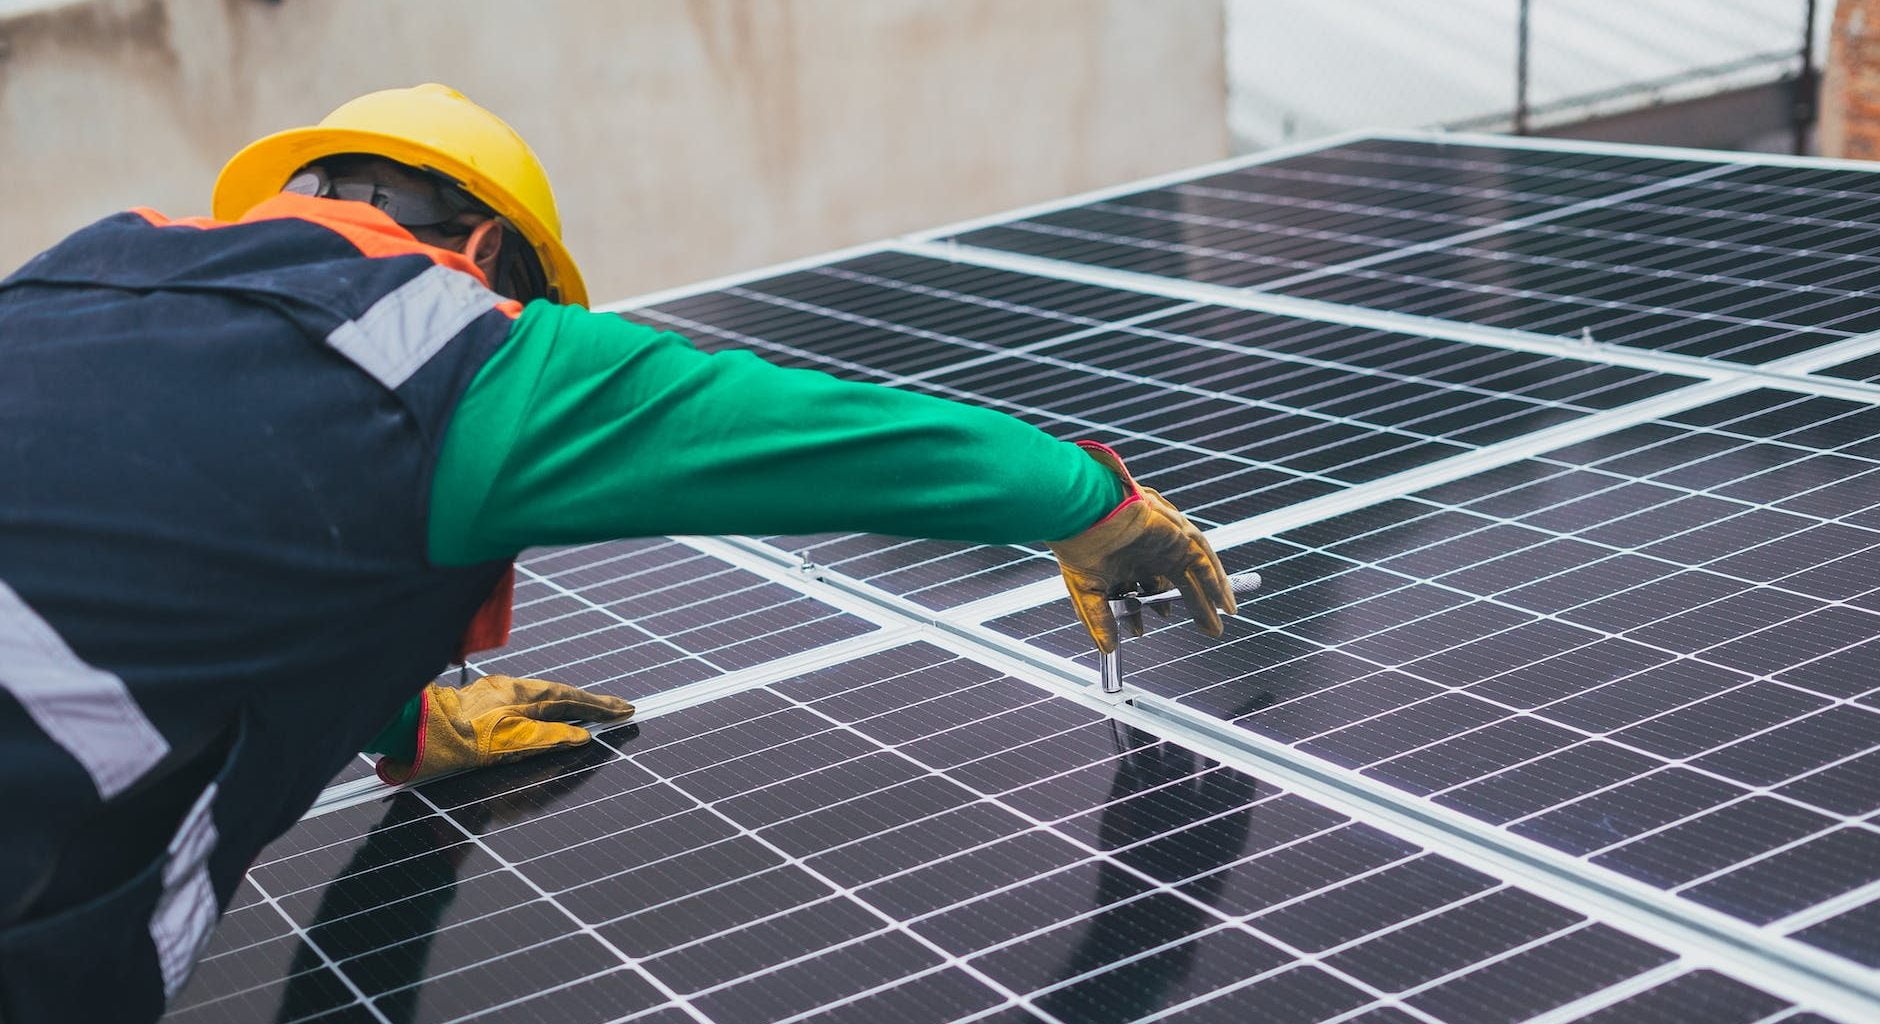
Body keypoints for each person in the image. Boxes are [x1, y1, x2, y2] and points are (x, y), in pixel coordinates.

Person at [0, 83, 1234, 1022]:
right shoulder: (457, 346)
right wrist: (1092, 503)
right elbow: (821, 432)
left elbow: (194, 530)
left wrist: (405, 724)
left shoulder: (72, 273)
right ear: (491, 256)